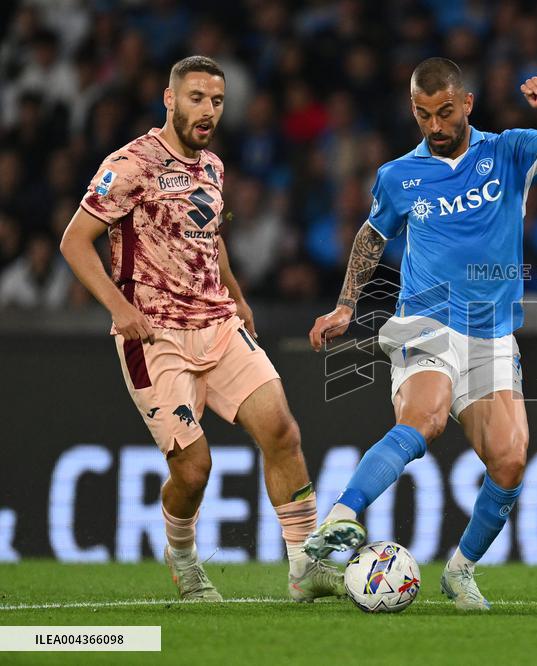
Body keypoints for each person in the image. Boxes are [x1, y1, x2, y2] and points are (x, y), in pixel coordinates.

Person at [304, 57, 537, 610]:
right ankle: (342, 517)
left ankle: (460, 571)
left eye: (445, 112)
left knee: (510, 460)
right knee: (426, 417)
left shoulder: (510, 151)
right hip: (426, 318)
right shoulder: (399, 176)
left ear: (467, 103)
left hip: (491, 333)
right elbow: (371, 238)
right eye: (423, 115)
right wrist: (345, 306)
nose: (436, 126)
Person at [59, 55, 343, 603]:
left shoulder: (212, 166)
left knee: (282, 431)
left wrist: (236, 296)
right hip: (155, 337)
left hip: (217, 323)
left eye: (216, 100)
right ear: (169, 99)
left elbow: (210, 235)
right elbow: (74, 241)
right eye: (196, 98)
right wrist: (119, 308)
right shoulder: (130, 164)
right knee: (194, 470)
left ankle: (305, 565)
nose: (208, 110)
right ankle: (184, 559)